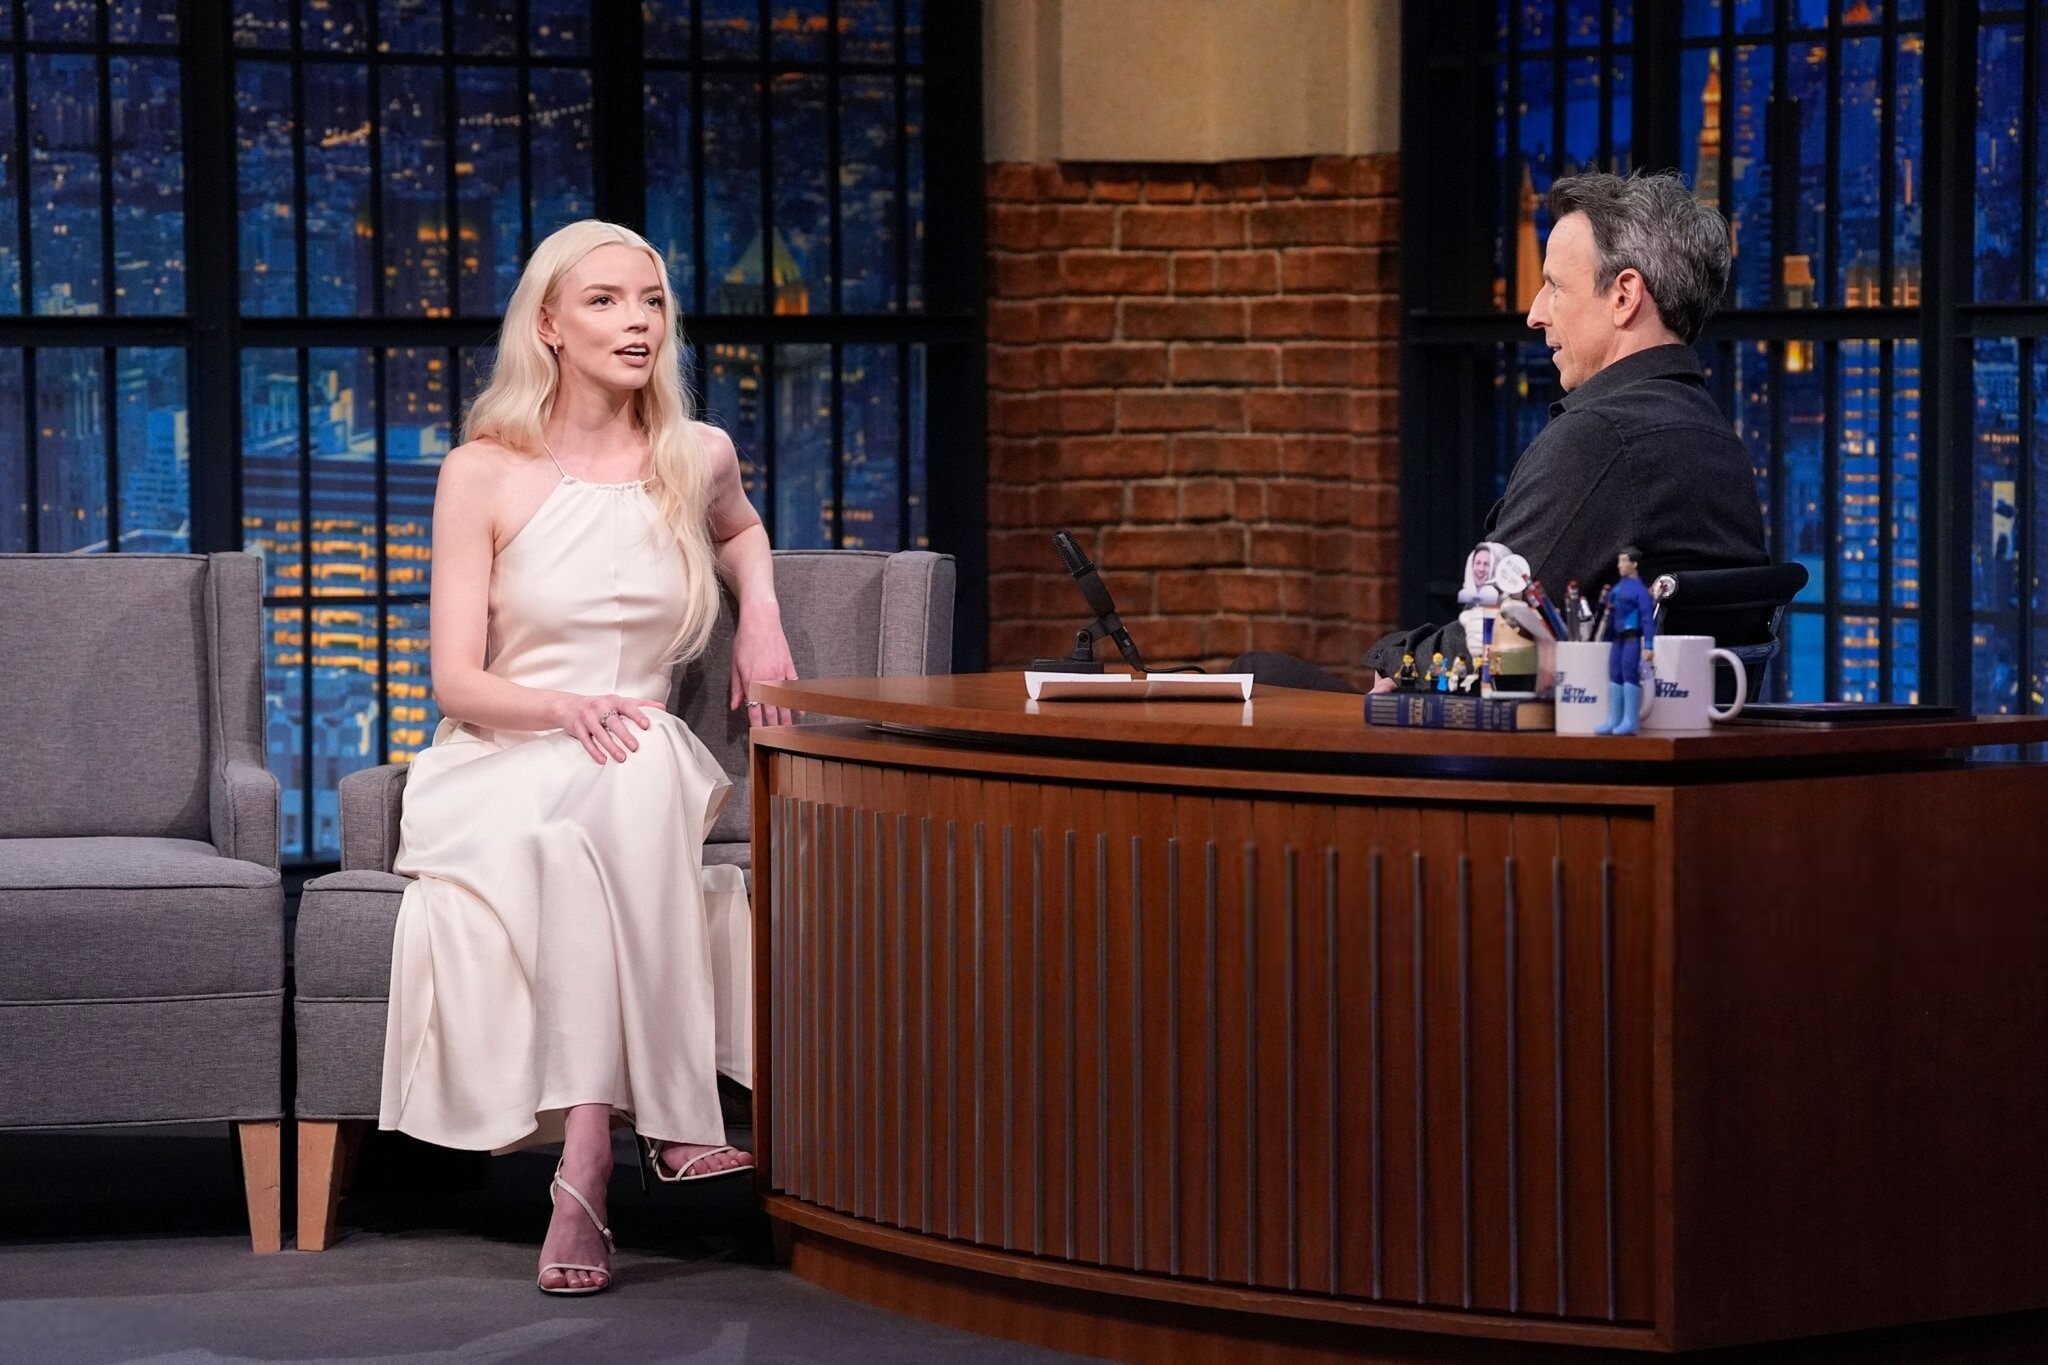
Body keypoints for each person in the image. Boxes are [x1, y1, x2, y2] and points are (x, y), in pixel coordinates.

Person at [377, 220, 798, 1296]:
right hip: (502, 758)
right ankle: (667, 1124)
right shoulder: (483, 472)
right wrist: (564, 709)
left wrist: (760, 613)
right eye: (605, 301)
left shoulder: (697, 455)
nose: (637, 322)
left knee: (635, 761)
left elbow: (741, 531)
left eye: (651, 300)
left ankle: (586, 1164)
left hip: (635, 758)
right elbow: (454, 682)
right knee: (601, 793)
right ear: (551, 327)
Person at [1234, 169, 1766, 694]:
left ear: (1624, 295)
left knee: (1259, 674)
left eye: (1554, 286)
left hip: (1549, 742)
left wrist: (1395, 660)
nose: (1534, 314)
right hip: (1674, 737)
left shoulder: (1600, 438)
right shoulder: (1718, 441)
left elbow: (1492, 644)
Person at [1595, 545, 1656, 735]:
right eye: (1619, 561)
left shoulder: (1640, 591)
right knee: (1615, 674)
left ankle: (1630, 720)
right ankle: (1614, 718)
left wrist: (1648, 645)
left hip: (1631, 638)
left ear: (1634, 564)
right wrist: (1604, 638)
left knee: (1629, 674)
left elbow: (1647, 619)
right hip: (1617, 639)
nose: (1619, 565)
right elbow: (1610, 616)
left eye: (1623, 561)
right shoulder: (1617, 589)